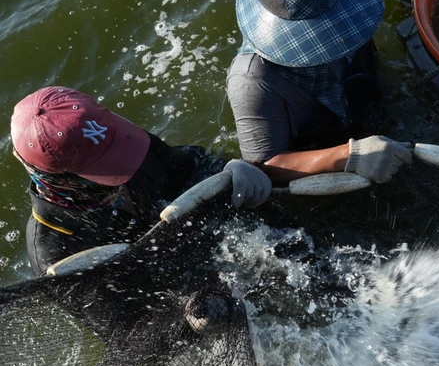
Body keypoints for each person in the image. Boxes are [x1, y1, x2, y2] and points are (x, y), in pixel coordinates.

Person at [226, 0, 439, 183]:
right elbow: (264, 164)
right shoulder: (253, 80)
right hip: (325, 139)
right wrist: (347, 155)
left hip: (362, 88)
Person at [11, 86, 272, 274]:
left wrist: (228, 172)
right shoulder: (57, 253)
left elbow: (192, 166)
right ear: (59, 179)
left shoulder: (130, 145)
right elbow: (123, 327)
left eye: (113, 150)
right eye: (103, 166)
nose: (129, 166)